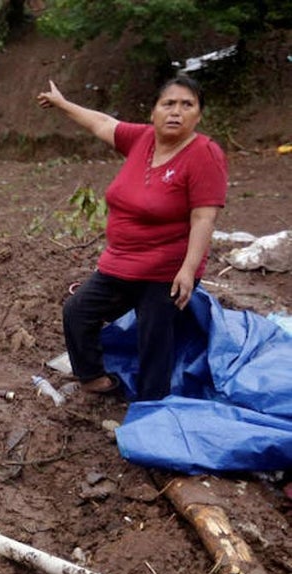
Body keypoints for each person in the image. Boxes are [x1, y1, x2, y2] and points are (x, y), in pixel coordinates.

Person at [36, 76, 227, 401]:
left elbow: (203, 218)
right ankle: (94, 379)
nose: (176, 112)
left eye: (187, 105)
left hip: (166, 270)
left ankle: (153, 406)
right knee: (77, 311)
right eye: (168, 103)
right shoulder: (143, 139)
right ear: (153, 111)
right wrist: (62, 104)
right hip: (121, 262)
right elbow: (102, 123)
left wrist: (188, 269)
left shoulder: (204, 154)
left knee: (154, 336)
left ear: (198, 115)